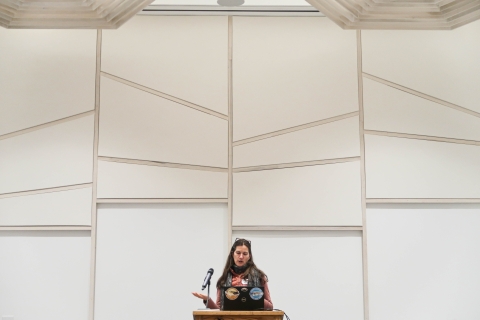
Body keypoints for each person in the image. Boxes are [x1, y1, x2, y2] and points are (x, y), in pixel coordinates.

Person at [192, 238, 273, 310]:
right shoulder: (223, 280)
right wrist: (208, 300)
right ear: (232, 254)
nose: (241, 257)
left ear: (249, 257)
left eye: (245, 254)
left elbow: (270, 306)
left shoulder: (259, 277)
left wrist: (255, 298)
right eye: (238, 253)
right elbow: (219, 310)